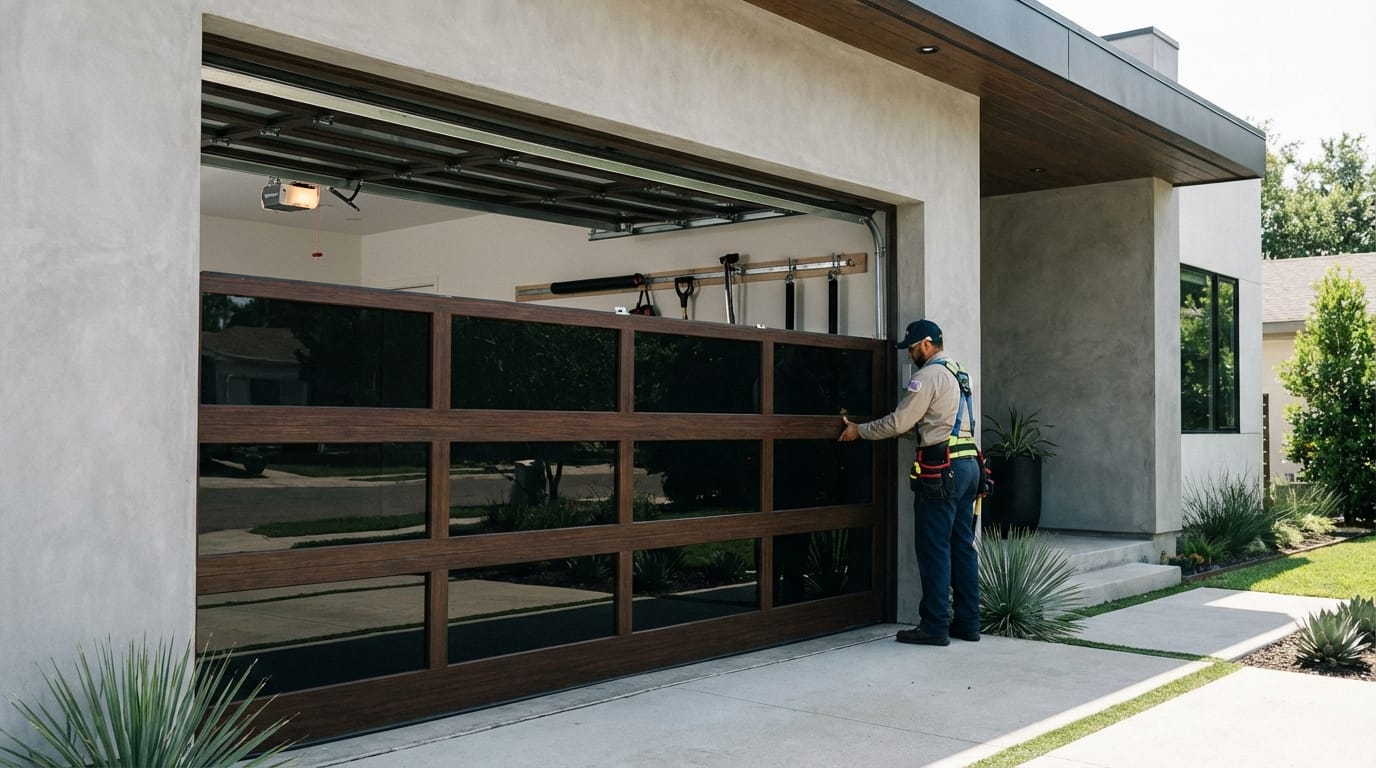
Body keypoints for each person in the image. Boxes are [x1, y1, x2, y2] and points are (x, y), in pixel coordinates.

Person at [838, 318, 980, 646]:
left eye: (912, 349)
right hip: (969, 466)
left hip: (942, 470)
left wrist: (859, 430)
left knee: (934, 547)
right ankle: (969, 623)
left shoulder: (927, 376)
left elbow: (900, 420)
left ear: (927, 344)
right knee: (962, 546)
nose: (909, 356)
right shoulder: (960, 373)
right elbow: (932, 422)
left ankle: (934, 626)